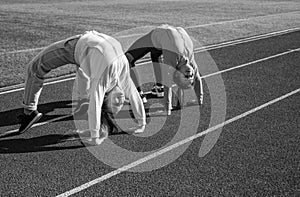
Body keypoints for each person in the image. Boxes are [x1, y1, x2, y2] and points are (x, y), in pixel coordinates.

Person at [18, 30, 146, 145]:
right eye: (121, 102)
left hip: (74, 48)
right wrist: (141, 123)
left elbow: (95, 104)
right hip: (88, 53)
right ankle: (81, 102)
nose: (121, 99)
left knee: (33, 68)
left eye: (115, 103)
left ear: (106, 97)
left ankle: (29, 111)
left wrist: (95, 136)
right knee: (83, 74)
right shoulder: (121, 71)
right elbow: (134, 93)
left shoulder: (103, 78)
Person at [125, 24, 203, 115]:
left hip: (165, 35)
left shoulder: (190, 58)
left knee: (128, 59)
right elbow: (168, 83)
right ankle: (158, 88)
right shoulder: (173, 56)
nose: (190, 73)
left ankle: (141, 94)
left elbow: (197, 77)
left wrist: (199, 100)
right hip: (155, 38)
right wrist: (167, 108)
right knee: (132, 58)